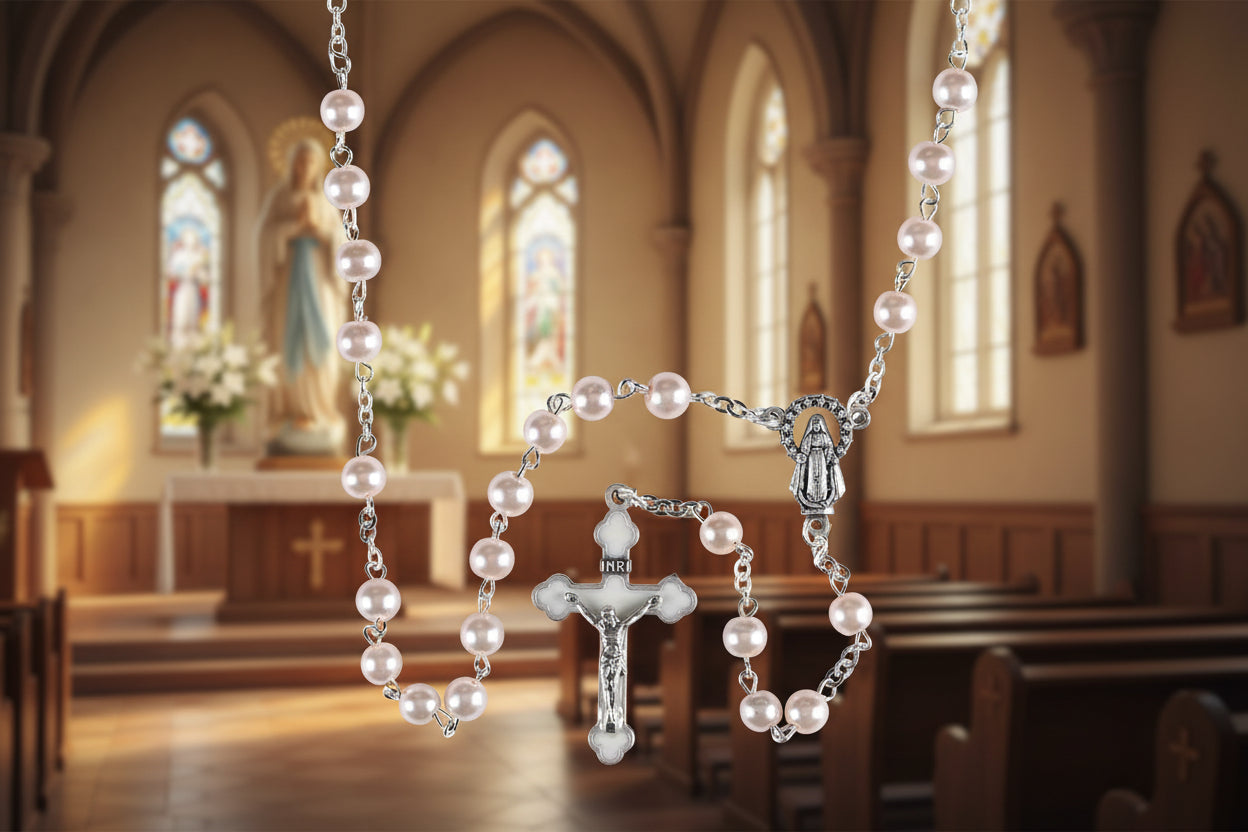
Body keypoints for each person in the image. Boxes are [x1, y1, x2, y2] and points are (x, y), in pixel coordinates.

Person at [257, 138, 348, 455]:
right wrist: (293, 229)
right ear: (290, 163)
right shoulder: (279, 199)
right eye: (299, 160)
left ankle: (320, 411)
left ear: (319, 166)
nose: (304, 167)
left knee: (319, 343)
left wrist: (319, 230)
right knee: (286, 340)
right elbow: (264, 239)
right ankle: (290, 412)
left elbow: (343, 243)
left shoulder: (328, 201)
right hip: (287, 284)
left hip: (320, 283)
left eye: (310, 162)